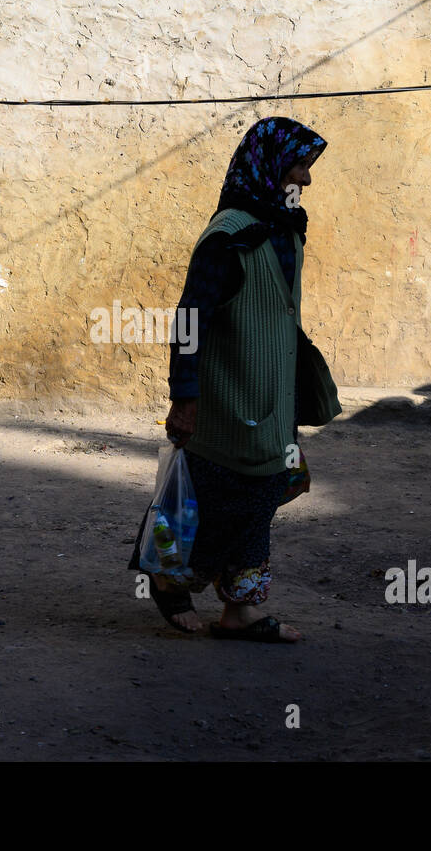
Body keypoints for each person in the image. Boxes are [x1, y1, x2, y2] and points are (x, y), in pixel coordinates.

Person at [136, 116, 327, 643]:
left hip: (270, 401)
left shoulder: (285, 230)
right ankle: (169, 579)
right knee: (212, 495)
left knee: (262, 494)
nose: (305, 179)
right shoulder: (227, 238)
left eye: (308, 168)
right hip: (225, 404)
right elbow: (189, 322)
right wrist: (185, 397)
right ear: (268, 165)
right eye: (298, 165)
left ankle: (240, 612)